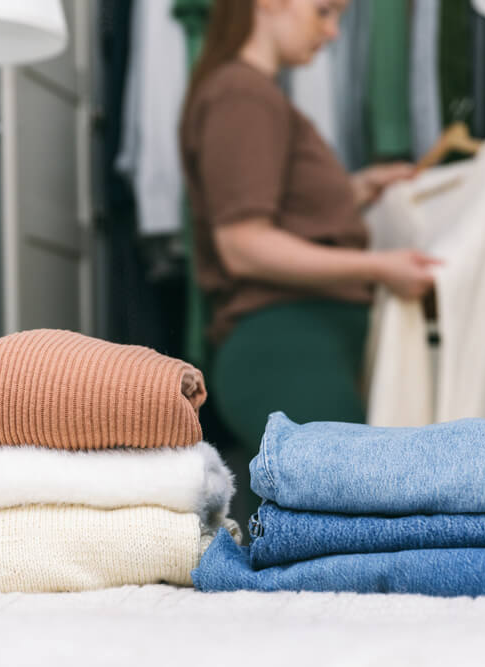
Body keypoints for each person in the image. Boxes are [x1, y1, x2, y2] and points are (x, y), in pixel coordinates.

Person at [179, 0, 438, 517]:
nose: (334, 32)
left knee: (326, 545)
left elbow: (276, 210)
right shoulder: (243, 96)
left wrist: (353, 190)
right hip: (285, 350)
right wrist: (379, 267)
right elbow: (244, 245)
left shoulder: (250, 95)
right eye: (324, 11)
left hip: (298, 351)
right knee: (345, 539)